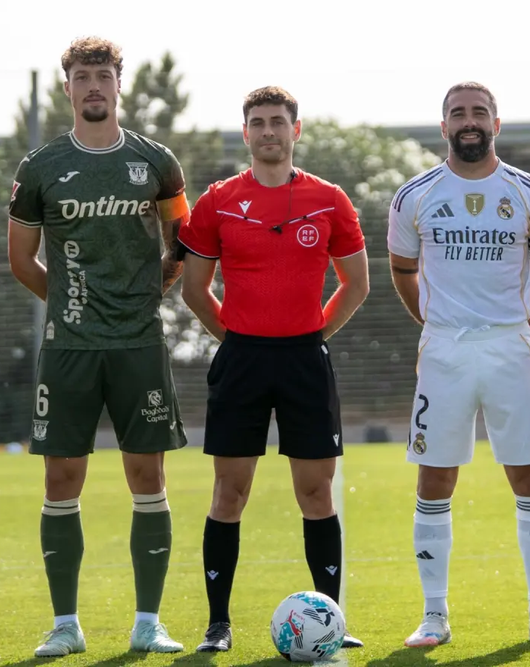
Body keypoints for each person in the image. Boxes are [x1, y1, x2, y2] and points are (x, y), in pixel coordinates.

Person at [7, 37, 189, 656]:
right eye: (82, 77)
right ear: (68, 88)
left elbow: (180, 243)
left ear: (119, 85)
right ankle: (65, 625)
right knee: (62, 478)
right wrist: (70, 306)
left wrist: (149, 294)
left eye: (102, 76)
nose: (93, 86)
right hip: (70, 349)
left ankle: (148, 622)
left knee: (148, 476)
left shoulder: (157, 161)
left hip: (139, 344)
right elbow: (20, 259)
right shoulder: (39, 168)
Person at [178, 85, 369, 654]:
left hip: (305, 360)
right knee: (228, 492)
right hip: (242, 361)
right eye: (258, 122)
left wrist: (311, 337)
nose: (268, 131)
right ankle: (218, 624)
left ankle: (331, 621)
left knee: (316, 492)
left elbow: (356, 284)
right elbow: (194, 289)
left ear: (295, 130)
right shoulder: (217, 201)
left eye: (277, 122)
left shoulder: (329, 199)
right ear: (246, 134)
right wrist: (238, 340)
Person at [387, 81, 530, 648]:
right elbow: (402, 270)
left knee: (527, 475)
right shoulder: (413, 196)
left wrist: (526, 325)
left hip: (508, 346)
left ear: (498, 123)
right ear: (442, 126)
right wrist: (431, 322)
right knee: (435, 477)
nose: (469, 121)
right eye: (457, 113)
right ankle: (434, 615)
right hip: (443, 348)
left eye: (479, 112)